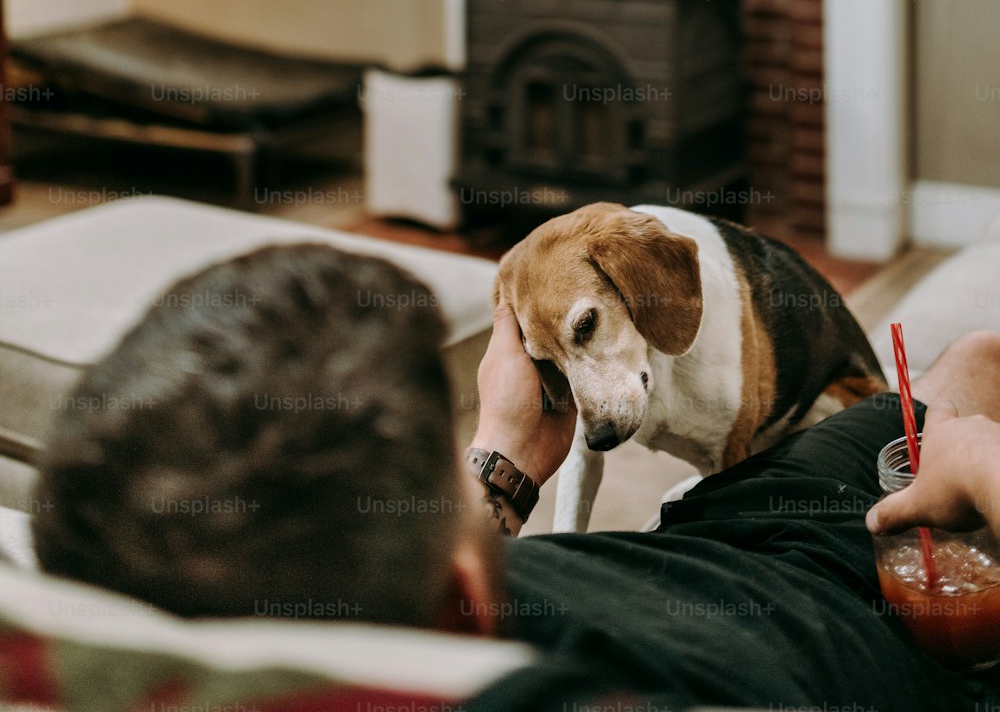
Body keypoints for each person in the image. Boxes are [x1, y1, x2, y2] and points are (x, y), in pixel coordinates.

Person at [31, 242, 1000, 710]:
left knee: (972, 356)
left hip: (709, 539)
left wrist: (499, 454)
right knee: (978, 368)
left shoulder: (297, 612)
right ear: (462, 593)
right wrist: (981, 465)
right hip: (868, 608)